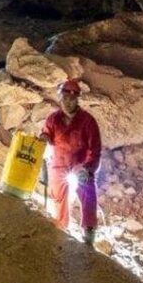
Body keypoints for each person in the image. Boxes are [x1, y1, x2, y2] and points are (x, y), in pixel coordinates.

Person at [40, 79, 102, 245]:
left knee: (87, 188)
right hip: (59, 163)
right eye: (65, 99)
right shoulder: (53, 119)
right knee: (58, 194)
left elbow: (95, 149)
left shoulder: (88, 121)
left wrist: (88, 169)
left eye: (72, 99)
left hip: (79, 164)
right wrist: (44, 139)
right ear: (60, 98)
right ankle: (61, 227)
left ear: (77, 100)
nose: (68, 103)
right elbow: (46, 134)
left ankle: (89, 230)